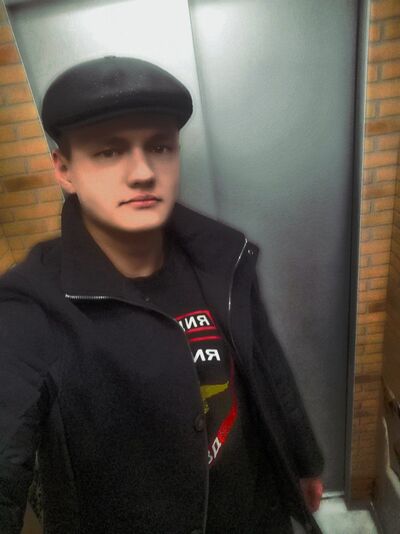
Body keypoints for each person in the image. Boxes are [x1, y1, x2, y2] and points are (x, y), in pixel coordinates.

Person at [0, 56, 324, 534]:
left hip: (255, 513)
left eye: (159, 146)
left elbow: (267, 366)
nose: (143, 172)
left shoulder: (222, 257)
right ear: (65, 170)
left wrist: (303, 459)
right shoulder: (31, 305)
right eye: (108, 151)